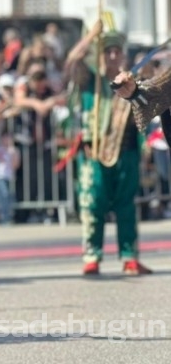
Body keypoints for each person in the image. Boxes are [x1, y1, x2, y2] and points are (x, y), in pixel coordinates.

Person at [65, 21, 151, 275]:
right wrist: (91, 36)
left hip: (126, 152)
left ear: (122, 54)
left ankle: (129, 256)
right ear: (100, 55)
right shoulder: (90, 81)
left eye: (117, 51)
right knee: (93, 205)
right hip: (95, 154)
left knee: (126, 206)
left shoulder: (131, 82)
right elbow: (71, 62)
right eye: (107, 51)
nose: (113, 56)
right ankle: (92, 255)